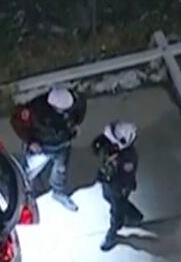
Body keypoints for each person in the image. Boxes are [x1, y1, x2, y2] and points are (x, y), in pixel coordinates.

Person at [11, 86, 86, 210]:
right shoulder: (35, 110)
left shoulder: (74, 102)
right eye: (62, 110)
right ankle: (21, 195)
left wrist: (76, 124)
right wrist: (30, 142)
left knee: (60, 170)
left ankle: (58, 192)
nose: (65, 113)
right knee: (28, 171)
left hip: (63, 145)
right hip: (42, 148)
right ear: (53, 106)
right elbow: (16, 121)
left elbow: (81, 109)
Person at [92, 120, 142, 251]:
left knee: (116, 211)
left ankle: (112, 234)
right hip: (109, 183)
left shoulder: (128, 159)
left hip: (119, 187)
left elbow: (124, 178)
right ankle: (134, 215)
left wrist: (110, 180)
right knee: (107, 197)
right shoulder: (112, 144)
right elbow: (99, 143)